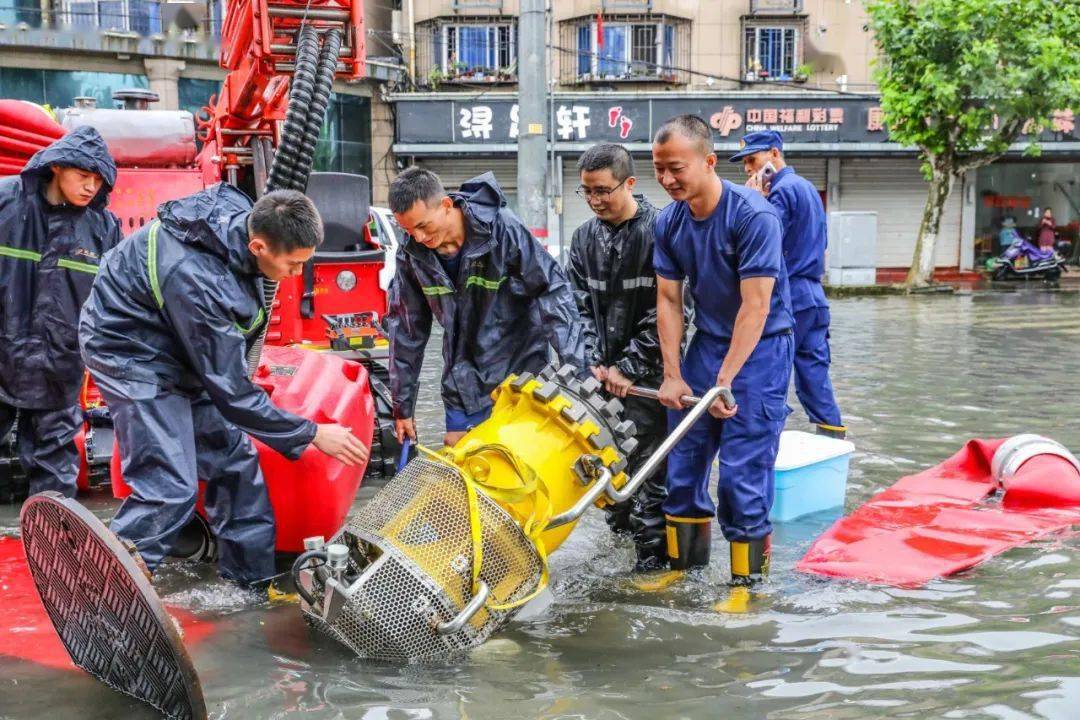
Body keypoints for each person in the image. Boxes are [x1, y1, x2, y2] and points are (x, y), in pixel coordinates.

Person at [79, 184, 368, 587]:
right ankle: (100, 595)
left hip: (180, 345)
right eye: (291, 264)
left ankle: (250, 587)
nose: (296, 274)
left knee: (236, 467)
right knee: (169, 488)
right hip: (130, 353)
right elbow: (230, 392)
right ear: (258, 247)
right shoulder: (196, 279)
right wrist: (312, 432)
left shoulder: (241, 212)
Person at [650, 115, 794, 610]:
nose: (667, 180)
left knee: (741, 471)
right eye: (659, 169)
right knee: (684, 461)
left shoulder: (754, 216)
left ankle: (746, 589)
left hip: (761, 349)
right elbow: (668, 301)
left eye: (677, 168)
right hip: (707, 343)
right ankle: (682, 572)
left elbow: (756, 307)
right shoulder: (668, 222)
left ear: (709, 162)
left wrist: (724, 381)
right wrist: (673, 374)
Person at [385, 168, 585, 448]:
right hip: (463, 380)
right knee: (464, 457)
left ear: (445, 206)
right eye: (408, 230)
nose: (418, 238)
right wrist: (402, 407)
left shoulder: (502, 230)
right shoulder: (412, 254)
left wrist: (577, 375)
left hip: (520, 373)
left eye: (423, 226)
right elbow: (406, 329)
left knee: (518, 462)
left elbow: (552, 292)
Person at [567, 143, 676, 572]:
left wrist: (629, 367)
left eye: (603, 191)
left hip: (647, 378)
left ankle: (653, 565)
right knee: (609, 470)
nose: (595, 201)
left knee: (651, 474)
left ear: (629, 183)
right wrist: (593, 361)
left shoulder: (660, 231)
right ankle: (619, 555)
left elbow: (670, 310)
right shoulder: (582, 238)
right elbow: (575, 307)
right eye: (587, 192)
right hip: (601, 380)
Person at [0, 126, 123, 498]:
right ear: (56, 167)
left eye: (99, 180)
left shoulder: (103, 228)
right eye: (84, 176)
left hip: (58, 366)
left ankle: (55, 546)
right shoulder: (6, 202)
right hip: (2, 355)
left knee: (56, 470)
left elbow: (112, 302)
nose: (91, 187)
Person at [734, 130, 845, 439]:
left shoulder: (779, 193)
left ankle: (764, 442)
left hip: (790, 295)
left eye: (752, 160)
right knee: (814, 370)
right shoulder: (807, 188)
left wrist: (754, 203)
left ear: (774, 153)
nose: (748, 169)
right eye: (744, 162)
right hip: (815, 296)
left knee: (770, 371)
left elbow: (763, 239)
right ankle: (833, 436)